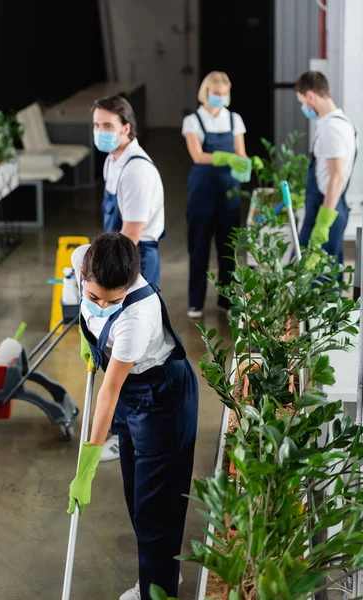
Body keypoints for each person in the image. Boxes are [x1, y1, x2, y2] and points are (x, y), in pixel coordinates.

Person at [68, 233, 199, 600]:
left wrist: (87, 468)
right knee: (136, 495)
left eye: (114, 300)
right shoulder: (84, 258)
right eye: (94, 297)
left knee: (156, 505)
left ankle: (158, 592)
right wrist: (86, 334)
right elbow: (84, 294)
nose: (102, 306)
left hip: (161, 398)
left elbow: (107, 395)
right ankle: (164, 573)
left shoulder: (136, 319)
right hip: (131, 391)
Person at [182, 71, 262, 319]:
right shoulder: (193, 121)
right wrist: (224, 158)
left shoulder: (234, 119)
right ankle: (195, 302)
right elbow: (197, 155)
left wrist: (249, 163)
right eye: (216, 93)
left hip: (229, 190)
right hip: (202, 189)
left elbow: (241, 152)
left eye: (224, 93)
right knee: (199, 245)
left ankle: (226, 300)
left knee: (228, 247)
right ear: (206, 92)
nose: (220, 97)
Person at [93, 95, 165, 287]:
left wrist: (100, 267)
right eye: (96, 125)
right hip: (117, 253)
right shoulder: (112, 160)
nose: (100, 131)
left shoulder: (135, 170)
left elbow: (131, 233)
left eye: (107, 126)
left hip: (134, 258)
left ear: (126, 128)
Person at [295, 71, 358, 265]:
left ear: (311, 96)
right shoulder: (339, 123)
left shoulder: (333, 129)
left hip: (324, 211)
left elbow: (337, 177)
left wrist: (322, 223)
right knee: (325, 279)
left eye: (302, 102)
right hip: (326, 206)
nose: (304, 107)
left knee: (314, 279)